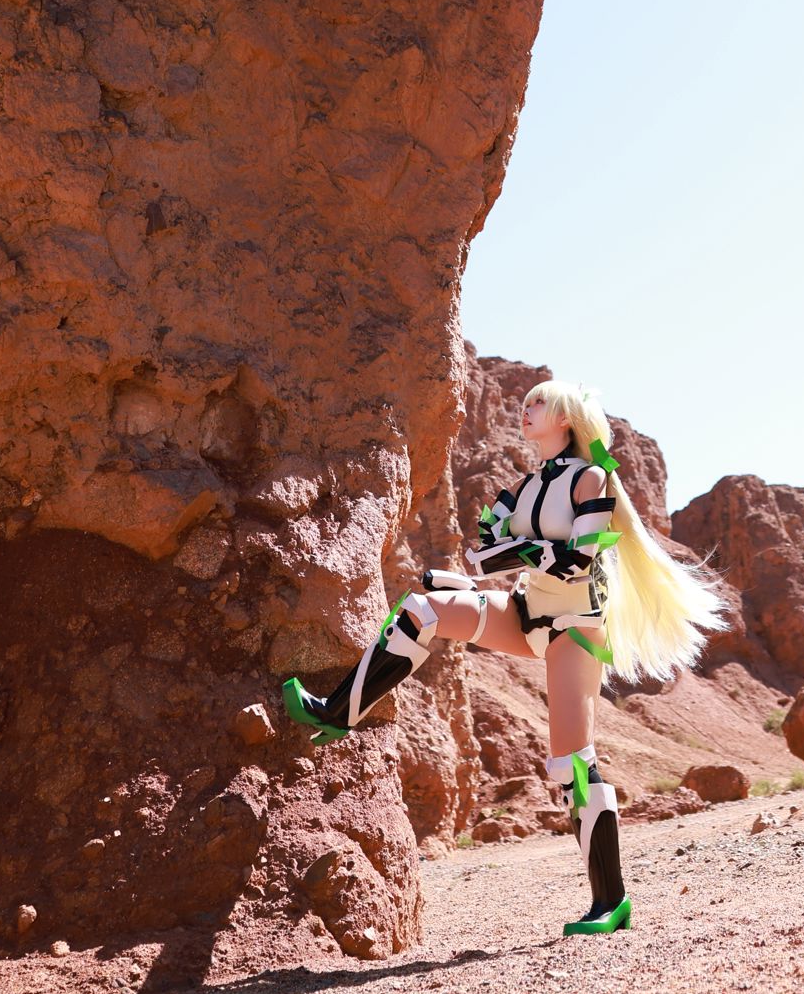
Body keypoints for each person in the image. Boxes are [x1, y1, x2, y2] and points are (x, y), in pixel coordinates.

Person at [281, 380, 723, 935]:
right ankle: (338, 711)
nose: (526, 409)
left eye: (539, 403)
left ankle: (611, 902)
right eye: (526, 402)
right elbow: (485, 550)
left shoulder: (591, 479)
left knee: (572, 764)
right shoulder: (523, 487)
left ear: (565, 417)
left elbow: (577, 562)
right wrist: (516, 555)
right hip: (523, 610)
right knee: (422, 609)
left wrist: (515, 551)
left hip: (574, 628)